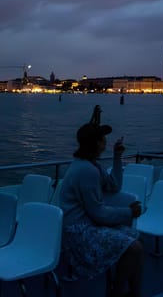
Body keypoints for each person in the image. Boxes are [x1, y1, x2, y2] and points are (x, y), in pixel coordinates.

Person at [60, 122, 143, 297]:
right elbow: (97, 213)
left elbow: (114, 186)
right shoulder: (86, 170)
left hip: (88, 225)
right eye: (103, 138)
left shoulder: (92, 165)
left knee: (135, 241)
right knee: (134, 248)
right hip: (78, 232)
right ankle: (117, 292)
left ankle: (135, 293)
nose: (106, 141)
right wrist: (129, 212)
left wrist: (117, 156)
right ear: (97, 143)